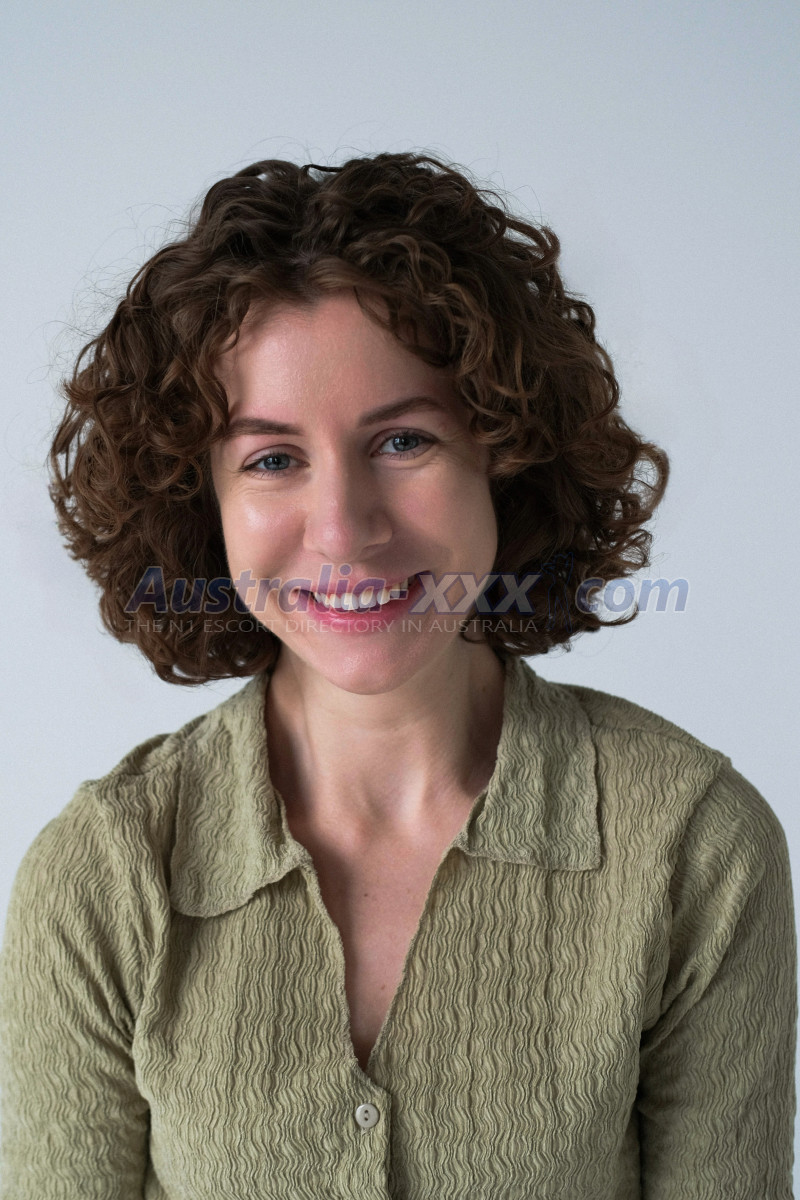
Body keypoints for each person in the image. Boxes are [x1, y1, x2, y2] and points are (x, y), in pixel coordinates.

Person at [0, 152, 795, 1198]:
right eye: (272, 459)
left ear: (504, 455)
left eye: (404, 440)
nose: (344, 529)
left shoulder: (693, 847)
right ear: (203, 503)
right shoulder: (100, 881)